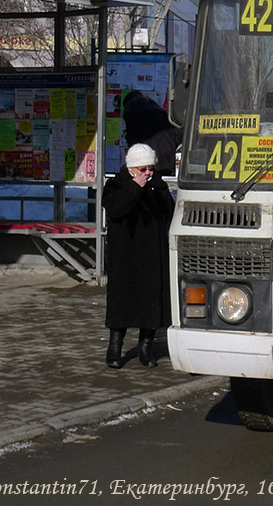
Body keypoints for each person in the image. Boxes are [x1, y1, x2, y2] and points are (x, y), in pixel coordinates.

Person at [102, 143, 174, 369]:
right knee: (121, 302)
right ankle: (115, 347)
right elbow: (116, 210)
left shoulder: (158, 187)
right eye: (143, 169)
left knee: (151, 302)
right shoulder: (115, 185)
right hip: (125, 254)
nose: (148, 174)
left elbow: (168, 213)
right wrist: (135, 188)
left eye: (150, 169)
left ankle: (146, 347)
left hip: (153, 254)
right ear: (132, 168)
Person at [122, 90, 181, 176]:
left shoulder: (132, 113)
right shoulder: (162, 113)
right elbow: (177, 135)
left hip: (147, 162)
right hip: (168, 160)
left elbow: (133, 140)